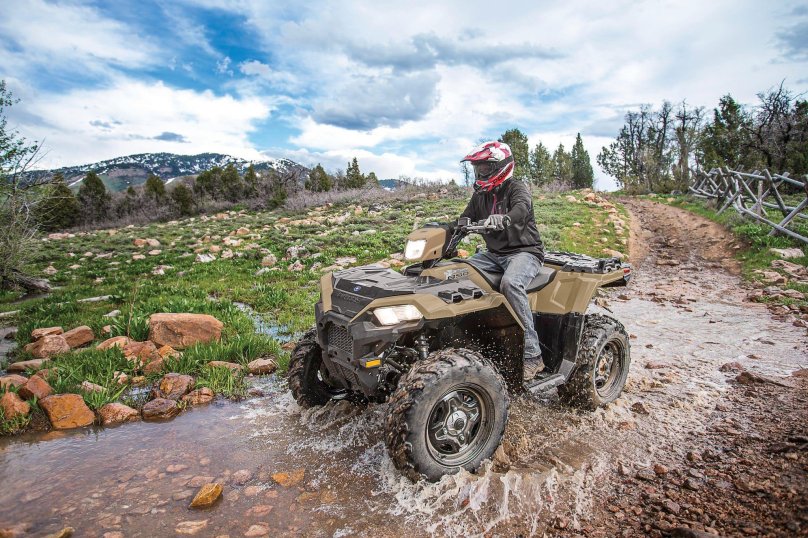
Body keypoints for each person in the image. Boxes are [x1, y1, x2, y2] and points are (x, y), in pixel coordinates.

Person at [457, 140, 546, 381]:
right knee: (457, 272)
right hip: (493, 255)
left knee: (510, 284)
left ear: (501, 167)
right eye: (478, 169)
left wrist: (504, 219)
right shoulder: (480, 195)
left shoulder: (517, 188)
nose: (481, 173)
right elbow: (466, 216)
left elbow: (521, 209)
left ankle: (532, 355)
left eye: (486, 168)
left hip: (525, 252)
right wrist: (459, 224)